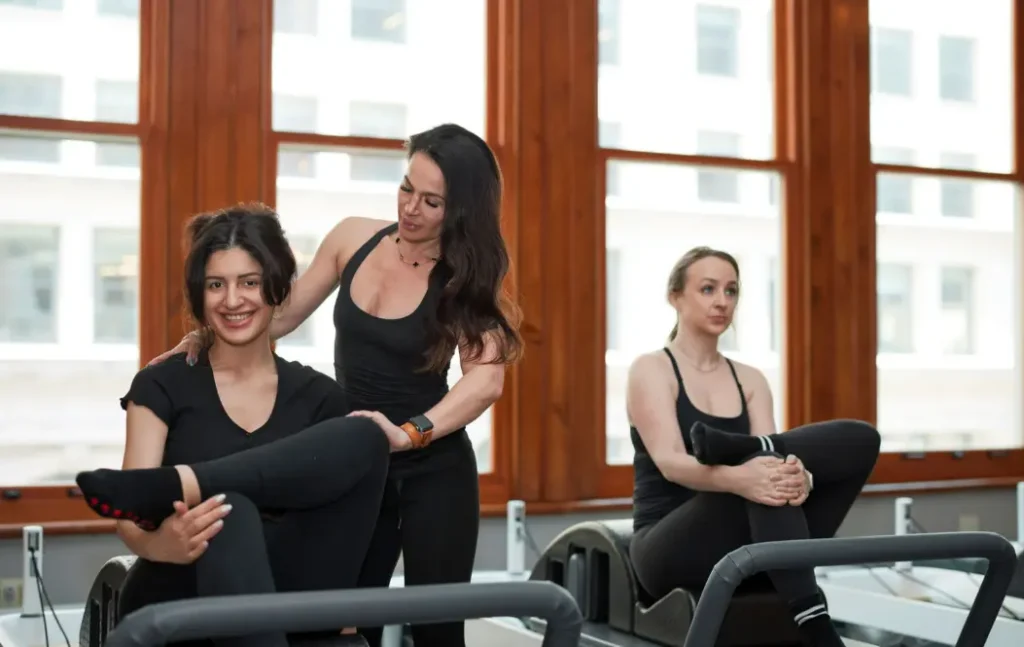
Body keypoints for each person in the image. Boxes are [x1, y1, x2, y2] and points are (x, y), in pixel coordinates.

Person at [148, 123, 524, 647]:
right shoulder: (353, 238)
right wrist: (207, 335)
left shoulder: (464, 276)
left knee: (437, 630)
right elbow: (281, 317)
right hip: (354, 466)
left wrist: (408, 434)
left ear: (461, 210)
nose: (411, 208)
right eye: (406, 188)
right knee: (341, 622)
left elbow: (485, 380)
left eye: (432, 201)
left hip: (433, 472)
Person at [75, 204, 408, 647]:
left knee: (366, 434)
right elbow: (130, 525)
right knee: (228, 512)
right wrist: (160, 545)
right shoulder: (162, 384)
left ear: (278, 288)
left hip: (286, 595)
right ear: (200, 294)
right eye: (217, 285)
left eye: (249, 282)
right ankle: (194, 487)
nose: (232, 300)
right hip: (182, 594)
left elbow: (342, 525)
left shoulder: (320, 396)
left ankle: (185, 483)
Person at [626, 246, 881, 647]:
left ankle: (737, 445)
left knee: (862, 439)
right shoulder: (652, 368)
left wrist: (802, 478)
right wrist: (740, 478)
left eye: (731, 291)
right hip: (667, 547)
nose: (722, 301)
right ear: (675, 297)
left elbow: (769, 468)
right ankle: (814, 621)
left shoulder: (750, 379)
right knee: (761, 467)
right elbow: (672, 463)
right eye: (708, 289)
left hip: (749, 534)